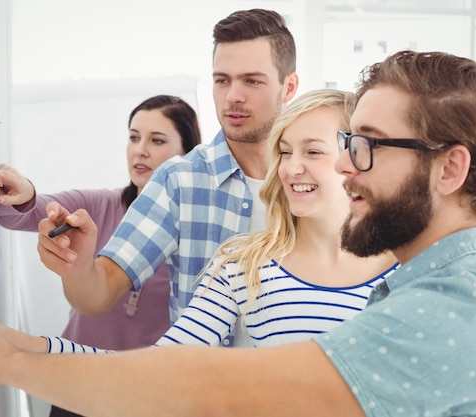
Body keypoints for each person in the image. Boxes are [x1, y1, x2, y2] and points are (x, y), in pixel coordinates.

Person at [0, 50, 476, 416]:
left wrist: (10, 363)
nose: (341, 165)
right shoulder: (425, 288)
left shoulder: (454, 314)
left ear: (450, 168)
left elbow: (203, 387)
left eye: (360, 147)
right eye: (339, 146)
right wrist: (13, 343)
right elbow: (164, 364)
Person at [42, 89, 399, 351]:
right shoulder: (243, 266)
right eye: (285, 152)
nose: (291, 168)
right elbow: (164, 364)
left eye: (313, 151)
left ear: (356, 157)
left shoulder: (410, 269)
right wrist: (36, 350)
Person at [36, 9, 299, 343]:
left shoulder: (324, 177)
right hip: (201, 390)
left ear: (288, 86)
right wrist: (76, 266)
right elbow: (97, 295)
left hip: (295, 389)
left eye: (252, 80)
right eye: (222, 80)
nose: (233, 95)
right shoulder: (178, 181)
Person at [0, 94, 201, 417]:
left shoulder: (199, 230)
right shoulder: (99, 206)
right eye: (133, 137)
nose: (140, 149)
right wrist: (26, 193)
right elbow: (15, 215)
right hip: (77, 385)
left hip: (148, 397)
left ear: (188, 154)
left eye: (157, 140)